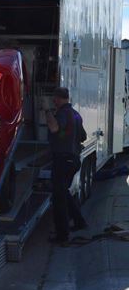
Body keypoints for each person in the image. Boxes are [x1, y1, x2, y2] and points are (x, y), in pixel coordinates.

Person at [44, 87, 88, 244]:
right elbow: (83, 136)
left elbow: (54, 128)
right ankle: (79, 221)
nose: (53, 101)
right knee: (63, 192)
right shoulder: (75, 114)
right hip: (73, 160)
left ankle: (63, 237)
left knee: (59, 199)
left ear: (59, 98)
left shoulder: (62, 113)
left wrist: (47, 111)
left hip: (63, 161)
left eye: (54, 99)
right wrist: (70, 137)